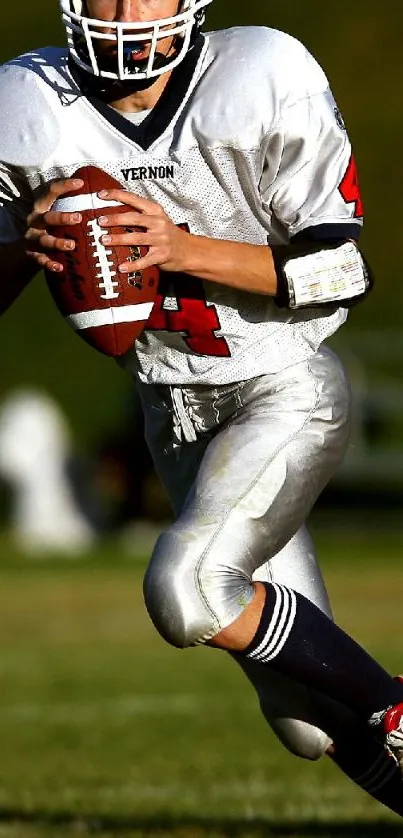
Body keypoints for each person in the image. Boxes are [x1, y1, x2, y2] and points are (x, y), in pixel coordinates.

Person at [1, 0, 403, 817]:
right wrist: (24, 243)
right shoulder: (23, 100)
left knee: (188, 591)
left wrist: (178, 248)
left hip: (280, 385)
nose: (121, 12)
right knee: (305, 724)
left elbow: (340, 272)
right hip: (173, 417)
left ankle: (393, 709)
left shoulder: (258, 71)